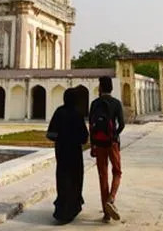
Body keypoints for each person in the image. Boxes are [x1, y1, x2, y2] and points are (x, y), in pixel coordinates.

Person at [46, 87, 89, 224]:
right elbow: (84, 138)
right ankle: (71, 208)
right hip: (74, 154)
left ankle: (62, 210)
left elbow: (50, 134)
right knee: (75, 181)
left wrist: (61, 138)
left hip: (62, 153)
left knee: (63, 180)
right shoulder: (77, 114)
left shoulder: (59, 112)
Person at [89, 76, 125, 222]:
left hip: (99, 144)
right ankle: (111, 199)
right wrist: (115, 135)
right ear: (111, 88)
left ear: (101, 88)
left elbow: (91, 126)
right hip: (112, 143)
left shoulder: (95, 104)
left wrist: (93, 145)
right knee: (117, 171)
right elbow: (122, 124)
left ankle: (106, 213)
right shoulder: (116, 103)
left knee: (102, 176)